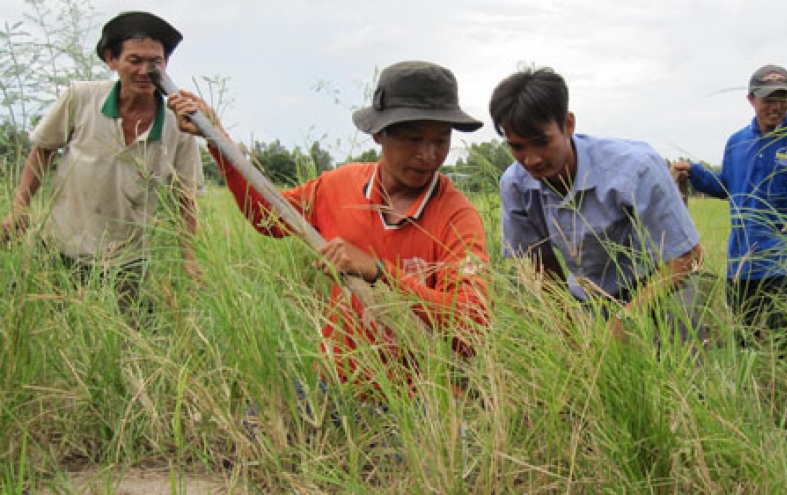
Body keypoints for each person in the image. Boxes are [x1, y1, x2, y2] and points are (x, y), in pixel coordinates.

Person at [168, 60, 489, 396]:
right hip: (337, 387)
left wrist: (380, 272)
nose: (428, 155)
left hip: (422, 403)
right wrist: (218, 140)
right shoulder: (340, 186)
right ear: (379, 133)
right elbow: (268, 217)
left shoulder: (457, 217)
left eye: (441, 141)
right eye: (413, 139)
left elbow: (472, 323)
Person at [1, 11, 203, 318]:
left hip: (128, 263)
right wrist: (20, 208)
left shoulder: (179, 127)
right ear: (112, 60)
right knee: (33, 325)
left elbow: (185, 196)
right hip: (60, 249)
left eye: (155, 62)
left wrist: (191, 258)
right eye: (134, 60)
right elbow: (43, 150)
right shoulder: (81, 98)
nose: (145, 71)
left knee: (124, 346)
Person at [490, 66, 705, 345]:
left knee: (677, 369)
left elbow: (688, 255)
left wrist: (627, 319)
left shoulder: (635, 168)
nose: (531, 160)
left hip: (659, 289)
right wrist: (569, 330)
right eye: (517, 147)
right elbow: (540, 266)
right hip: (587, 299)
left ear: (568, 124)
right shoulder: (516, 184)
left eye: (541, 142)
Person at [670, 64, 787, 341]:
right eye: (768, 99)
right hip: (743, 259)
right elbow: (727, 186)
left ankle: (783, 383)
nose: (776, 106)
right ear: (751, 99)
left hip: (785, 256)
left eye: (782, 98)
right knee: (743, 335)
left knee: (780, 336)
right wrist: (694, 171)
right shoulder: (737, 142)